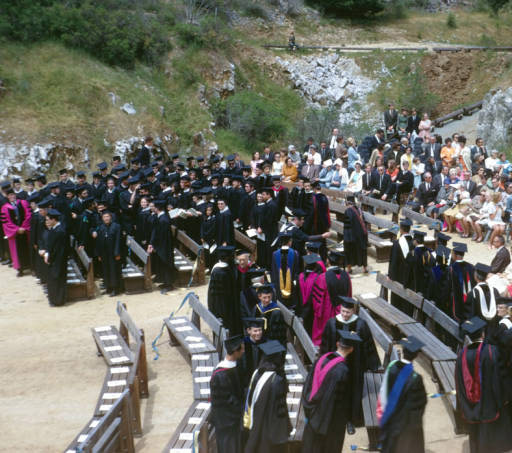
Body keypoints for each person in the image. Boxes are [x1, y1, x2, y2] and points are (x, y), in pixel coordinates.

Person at [320, 297, 380, 431]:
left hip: (355, 366)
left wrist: (373, 363)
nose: (345, 315)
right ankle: (335, 419)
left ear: (353, 311)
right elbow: (325, 345)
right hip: (335, 366)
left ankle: (350, 420)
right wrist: (324, 363)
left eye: (348, 312)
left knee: (353, 392)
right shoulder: (332, 323)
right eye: (342, 311)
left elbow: (368, 346)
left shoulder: (360, 324)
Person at [455, 317, 512, 453]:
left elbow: (459, 384)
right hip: (489, 405)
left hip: (470, 407)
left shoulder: (461, 356)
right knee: (491, 442)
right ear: (483, 333)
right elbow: (499, 379)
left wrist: (463, 406)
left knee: (476, 439)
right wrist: (503, 400)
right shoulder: (492, 352)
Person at [301, 330, 362, 453]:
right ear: (351, 350)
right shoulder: (342, 370)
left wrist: (310, 407)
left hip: (312, 411)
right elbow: (337, 403)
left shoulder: (322, 358)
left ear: (337, 343)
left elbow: (309, 383)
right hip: (327, 422)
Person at [377, 336, 427, 453]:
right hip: (406, 426)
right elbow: (419, 406)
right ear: (416, 355)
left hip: (391, 420)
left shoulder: (392, 367)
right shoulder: (415, 378)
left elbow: (384, 392)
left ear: (403, 351)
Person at [243, 340, 291, 453]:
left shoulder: (257, 372)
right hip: (270, 427)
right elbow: (279, 410)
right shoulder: (276, 380)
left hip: (256, 421)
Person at [210, 335, 245, 453]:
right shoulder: (220, 375)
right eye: (242, 349)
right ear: (235, 352)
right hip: (226, 422)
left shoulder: (235, 366)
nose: (244, 351)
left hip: (234, 420)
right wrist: (241, 410)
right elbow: (226, 401)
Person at [208, 246, 242, 335]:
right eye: (232, 256)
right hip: (222, 307)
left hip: (225, 305)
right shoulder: (220, 272)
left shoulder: (224, 268)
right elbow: (219, 294)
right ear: (227, 258)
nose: (234, 258)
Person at [466, 263, 501, 344]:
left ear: (475, 276)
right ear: (486, 277)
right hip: (492, 335)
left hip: (476, 335)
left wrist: (479, 333)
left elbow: (470, 315)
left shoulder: (473, 293)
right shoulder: (495, 291)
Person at [1, 188, 31, 276]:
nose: (12, 196)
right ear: (7, 196)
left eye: (13, 194)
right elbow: (6, 223)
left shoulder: (23, 203)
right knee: (17, 251)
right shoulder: (4, 208)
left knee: (28, 247)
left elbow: (28, 215)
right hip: (15, 233)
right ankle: (20, 269)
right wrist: (17, 229)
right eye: (10, 195)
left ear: (15, 195)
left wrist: (23, 227)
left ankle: (30, 266)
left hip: (25, 231)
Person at [42, 209, 68, 306]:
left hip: (58, 260)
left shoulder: (60, 231)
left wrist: (50, 258)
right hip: (55, 259)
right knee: (54, 280)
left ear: (54, 220)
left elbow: (58, 250)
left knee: (58, 280)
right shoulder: (55, 229)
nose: (47, 222)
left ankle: (58, 301)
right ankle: (54, 299)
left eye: (48, 219)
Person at [148, 199, 174, 294]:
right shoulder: (160, 217)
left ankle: (169, 284)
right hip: (161, 246)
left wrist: (156, 246)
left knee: (166, 264)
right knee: (163, 265)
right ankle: (165, 282)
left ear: (157, 208)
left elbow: (162, 236)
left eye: (153, 207)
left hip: (165, 246)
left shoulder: (163, 220)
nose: (152, 208)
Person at [388, 218, 414, 312]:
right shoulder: (414, 242)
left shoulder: (397, 243)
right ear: (409, 229)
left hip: (399, 277)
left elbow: (393, 262)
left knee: (397, 303)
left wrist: (391, 276)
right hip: (411, 278)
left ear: (401, 229)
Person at [96, 210, 122, 297]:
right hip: (104, 253)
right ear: (102, 218)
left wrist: (117, 253)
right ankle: (108, 287)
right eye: (104, 217)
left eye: (107, 217)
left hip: (113, 253)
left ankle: (115, 289)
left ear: (110, 217)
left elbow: (118, 240)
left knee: (113, 270)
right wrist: (99, 254)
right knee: (106, 270)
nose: (106, 218)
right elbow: (99, 241)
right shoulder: (101, 227)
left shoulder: (116, 226)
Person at [270, 232, 300, 308]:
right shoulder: (295, 253)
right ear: (289, 242)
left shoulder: (274, 254)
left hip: (278, 288)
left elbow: (273, 272)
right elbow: (297, 271)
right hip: (292, 287)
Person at [450, 242, 475, 323]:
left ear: (454, 255)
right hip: (469, 302)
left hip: (455, 303)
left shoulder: (451, 269)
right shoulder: (471, 267)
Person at [343, 195, 368, 274]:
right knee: (363, 251)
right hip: (361, 235)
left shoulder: (348, 211)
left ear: (347, 202)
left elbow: (347, 226)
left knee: (348, 251)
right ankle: (365, 268)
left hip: (352, 236)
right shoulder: (359, 210)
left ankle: (349, 269)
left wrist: (346, 238)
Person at [240, 318, 265, 389]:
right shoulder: (243, 345)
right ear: (248, 331)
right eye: (255, 331)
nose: (258, 333)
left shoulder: (265, 343)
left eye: (260, 330)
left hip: (261, 381)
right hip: (247, 382)